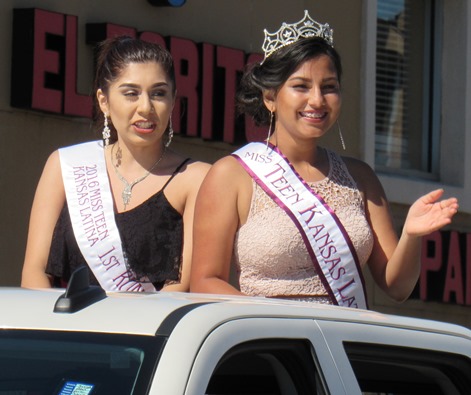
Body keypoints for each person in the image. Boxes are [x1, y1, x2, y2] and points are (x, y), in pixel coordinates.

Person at [190, 11, 459, 308]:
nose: (317, 100)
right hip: (271, 344)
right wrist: (278, 320)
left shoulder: (360, 177)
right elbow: (205, 281)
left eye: (329, 87)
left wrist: (411, 235)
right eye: (301, 86)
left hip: (343, 342)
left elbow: (397, 287)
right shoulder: (232, 175)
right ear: (270, 97)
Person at [22, 36, 210, 292]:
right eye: (131, 94)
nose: (146, 107)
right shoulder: (65, 166)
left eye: (158, 93)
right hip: (64, 327)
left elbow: (182, 286)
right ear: (104, 101)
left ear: (173, 101)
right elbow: (34, 272)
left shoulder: (195, 178)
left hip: (150, 329)